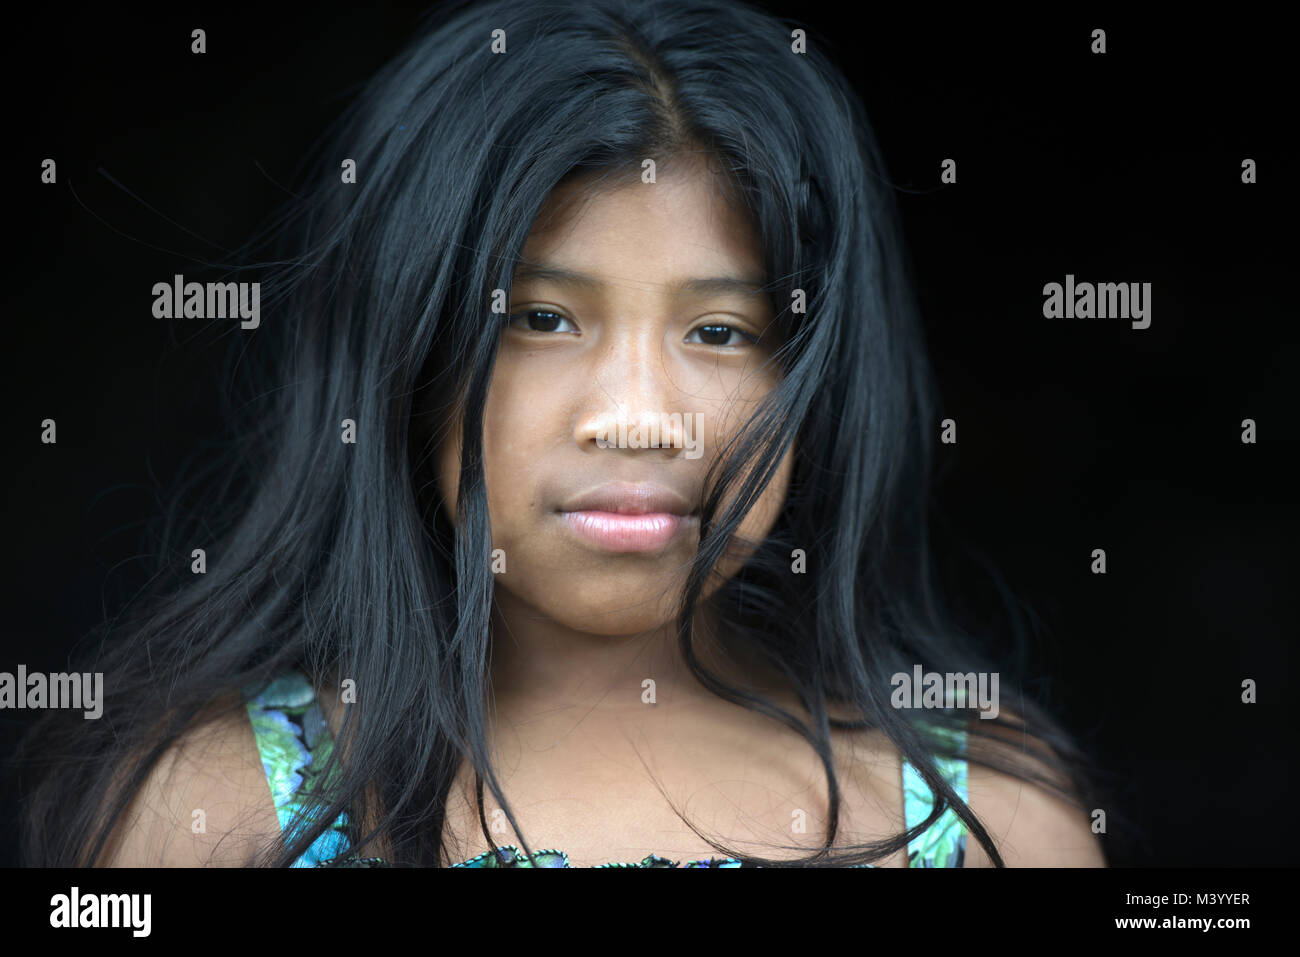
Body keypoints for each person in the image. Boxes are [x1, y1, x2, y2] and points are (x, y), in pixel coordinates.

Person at [17, 0, 1107, 868]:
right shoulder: (218, 811)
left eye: (722, 330)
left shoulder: (981, 824)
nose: (635, 416)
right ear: (406, 352)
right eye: (540, 318)